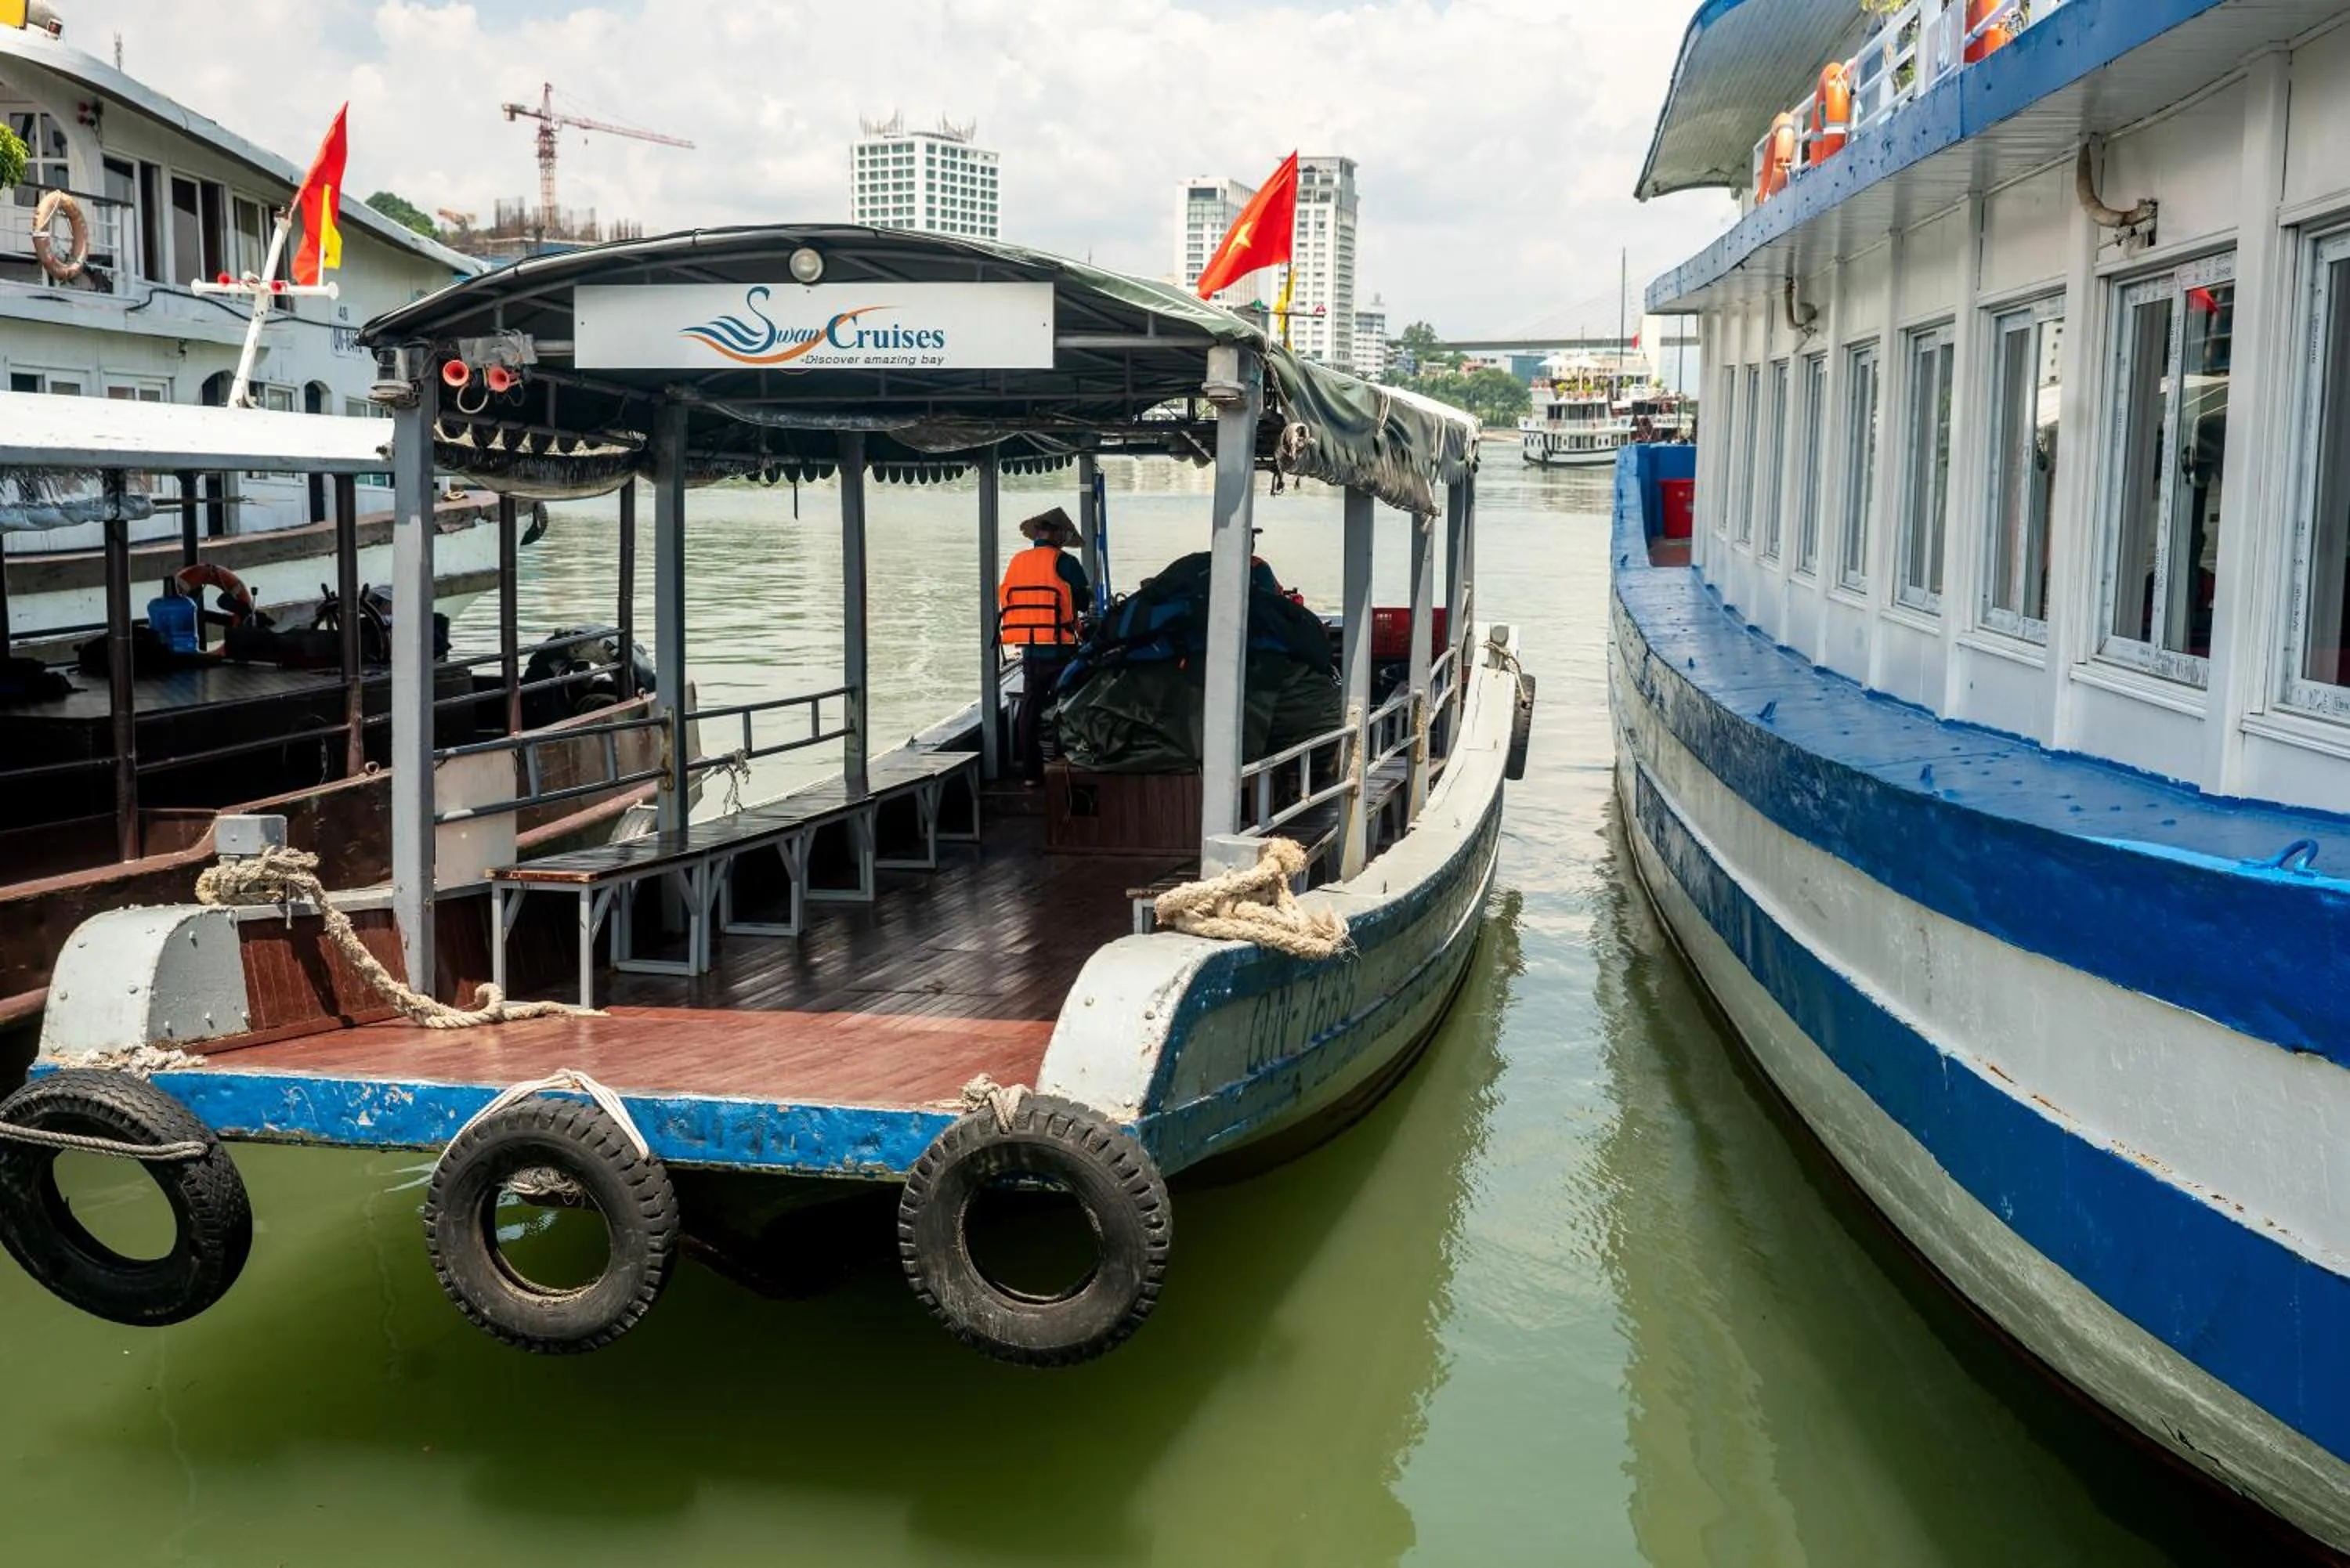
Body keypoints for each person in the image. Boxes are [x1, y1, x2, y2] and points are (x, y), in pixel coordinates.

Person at [998, 505, 1091, 784]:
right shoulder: (1066, 562)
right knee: (1070, 704)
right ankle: (1068, 766)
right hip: (1062, 649)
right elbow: (1084, 604)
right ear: (1060, 534)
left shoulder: (1017, 561)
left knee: (1030, 707)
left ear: (1037, 533)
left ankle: (1031, 774)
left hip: (1029, 648)